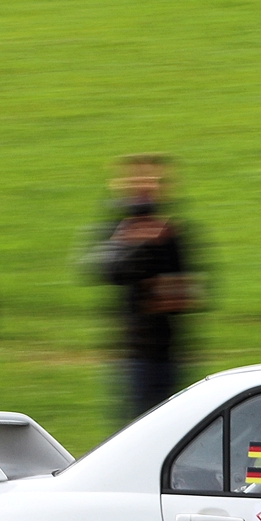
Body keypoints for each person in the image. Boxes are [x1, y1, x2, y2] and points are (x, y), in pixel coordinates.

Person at [83, 154, 204, 421]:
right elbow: (101, 270)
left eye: (151, 182)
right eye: (137, 181)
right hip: (133, 352)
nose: (144, 189)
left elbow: (189, 294)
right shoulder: (118, 229)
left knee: (171, 422)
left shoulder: (174, 232)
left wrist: (164, 289)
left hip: (169, 350)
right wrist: (133, 244)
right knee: (135, 425)